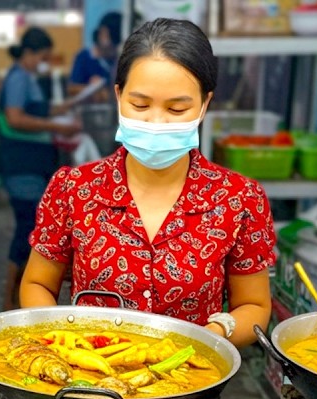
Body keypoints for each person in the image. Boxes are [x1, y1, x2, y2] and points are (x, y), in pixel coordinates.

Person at [20, 18, 276, 348]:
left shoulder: (239, 200)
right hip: (91, 385)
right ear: (118, 96)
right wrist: (65, 342)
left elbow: (253, 306)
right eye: (140, 105)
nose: (156, 122)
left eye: (177, 108)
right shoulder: (73, 189)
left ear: (204, 105)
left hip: (192, 386)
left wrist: (210, 338)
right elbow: (37, 284)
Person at [0, 26, 80, 311]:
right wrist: (57, 126)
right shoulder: (18, 79)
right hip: (21, 165)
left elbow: (37, 110)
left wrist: (64, 108)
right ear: (30, 53)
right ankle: (10, 299)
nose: (42, 62)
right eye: (41, 56)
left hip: (33, 164)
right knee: (25, 229)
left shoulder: (28, 78)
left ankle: (17, 296)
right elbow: (16, 117)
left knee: (29, 227)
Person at [68, 12, 122, 102]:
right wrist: (92, 89)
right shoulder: (84, 57)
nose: (112, 50)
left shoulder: (117, 60)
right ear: (101, 34)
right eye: (111, 47)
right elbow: (71, 88)